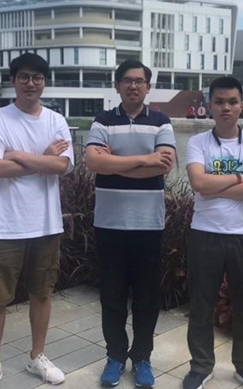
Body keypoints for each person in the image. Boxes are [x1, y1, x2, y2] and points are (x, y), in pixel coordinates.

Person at [0, 53, 74, 389]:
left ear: (45, 82)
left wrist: (17, 155)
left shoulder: (56, 121)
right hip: (5, 224)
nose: (31, 83)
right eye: (24, 77)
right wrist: (43, 158)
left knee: (42, 293)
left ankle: (37, 356)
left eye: (38, 77)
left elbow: (62, 166)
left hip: (46, 223)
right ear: (13, 80)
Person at [85, 59, 176, 388]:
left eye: (139, 81)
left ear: (148, 87)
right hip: (109, 224)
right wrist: (143, 159)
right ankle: (115, 355)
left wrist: (114, 163)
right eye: (127, 80)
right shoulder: (103, 120)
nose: (133, 86)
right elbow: (93, 162)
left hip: (148, 224)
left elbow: (163, 166)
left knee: (146, 297)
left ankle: (141, 357)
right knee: (111, 296)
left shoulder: (162, 121)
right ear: (117, 86)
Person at [183, 76, 243, 389]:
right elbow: (198, 183)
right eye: (219, 102)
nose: (226, 108)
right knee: (201, 306)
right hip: (205, 235)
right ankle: (200, 366)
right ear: (210, 106)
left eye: (232, 102)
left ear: (241, 106)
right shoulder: (198, 143)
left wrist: (215, 185)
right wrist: (238, 178)